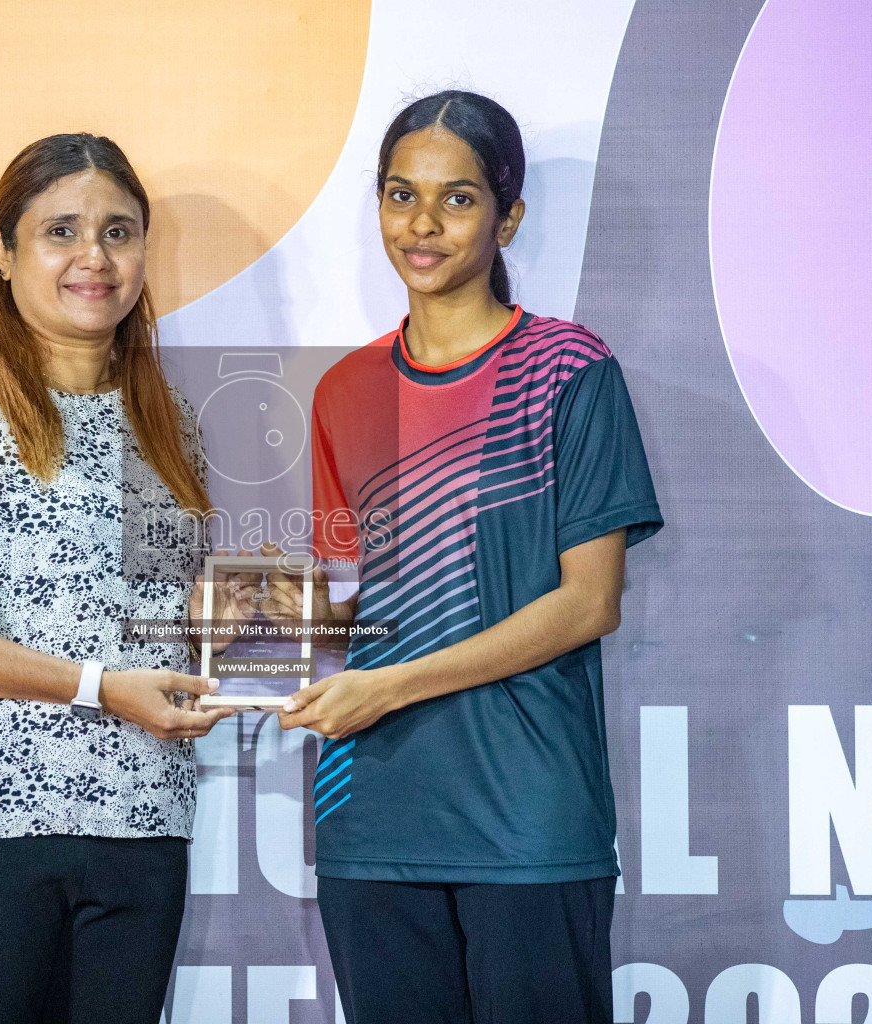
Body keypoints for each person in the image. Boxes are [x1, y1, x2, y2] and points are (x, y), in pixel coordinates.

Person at [273, 91, 664, 1023]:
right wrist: (231, 662)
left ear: (508, 214)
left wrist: (392, 685)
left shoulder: (568, 370)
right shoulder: (343, 388)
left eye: (457, 199)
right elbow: (338, 596)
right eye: (401, 195)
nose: (423, 224)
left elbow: (588, 602)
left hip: (527, 819)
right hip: (369, 820)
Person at [0, 133, 253, 1023]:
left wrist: (261, 627)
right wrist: (106, 688)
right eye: (60, 231)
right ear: (2, 251)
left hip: (139, 827)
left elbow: (156, 613)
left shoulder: (168, 423)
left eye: (119, 231)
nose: (93, 258)